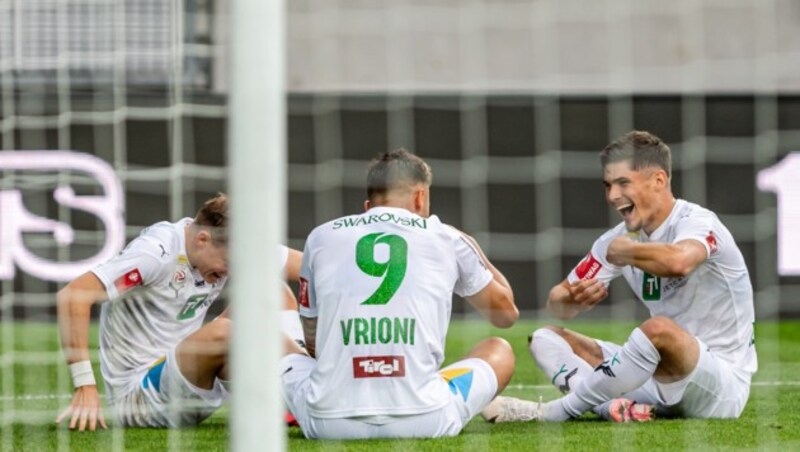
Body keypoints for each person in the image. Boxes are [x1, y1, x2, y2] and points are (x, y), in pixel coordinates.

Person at [483, 130, 757, 423]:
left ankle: (552, 412)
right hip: (656, 378)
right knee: (544, 337)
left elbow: (679, 262)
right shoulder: (619, 240)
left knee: (658, 330)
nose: (613, 196)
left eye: (623, 183)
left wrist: (625, 253)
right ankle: (610, 408)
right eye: (608, 185)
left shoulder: (698, 223)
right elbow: (557, 302)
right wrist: (572, 299)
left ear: (659, 180)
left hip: (720, 386)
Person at [280, 148, 519, 439]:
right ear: (420, 197)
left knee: (273, 340)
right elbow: (506, 315)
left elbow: (314, 345)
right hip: (427, 418)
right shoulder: (446, 237)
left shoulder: (320, 236)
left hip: (329, 422)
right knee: (499, 350)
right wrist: (467, 242)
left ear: (368, 206)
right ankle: (430, 384)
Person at [56, 193, 304, 430]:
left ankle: (295, 392)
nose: (230, 273)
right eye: (227, 263)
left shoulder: (227, 245)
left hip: (192, 379)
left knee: (274, 292)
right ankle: (304, 391)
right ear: (202, 239)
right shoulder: (154, 255)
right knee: (224, 332)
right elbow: (73, 296)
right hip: (140, 399)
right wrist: (84, 385)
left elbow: (310, 267)